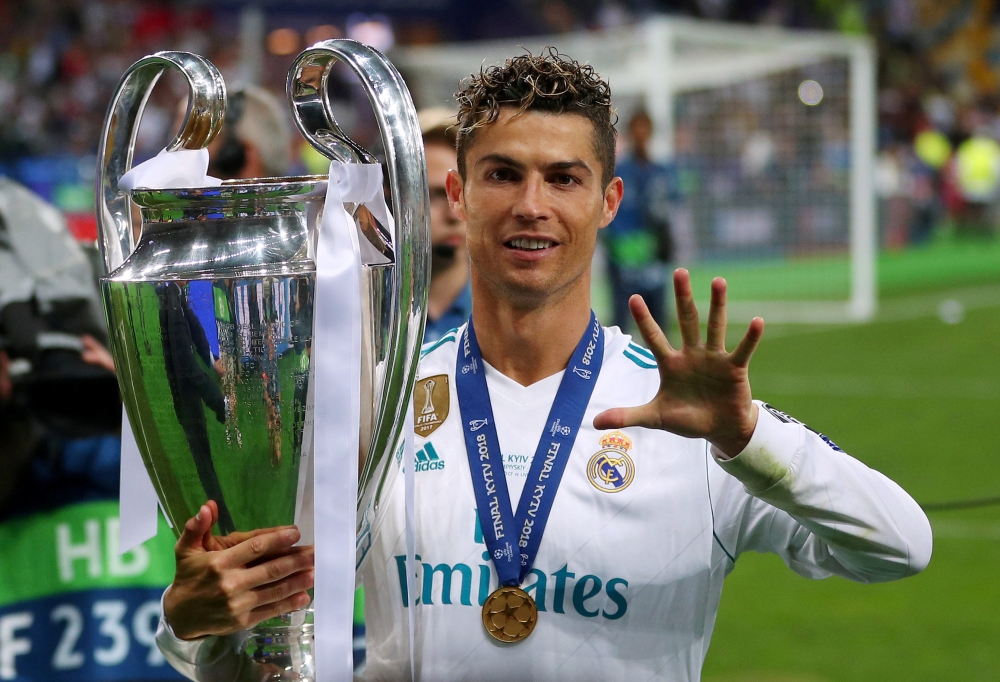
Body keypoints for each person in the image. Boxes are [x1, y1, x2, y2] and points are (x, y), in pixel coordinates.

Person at [156, 51, 932, 681]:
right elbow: (251, 646)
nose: (533, 204)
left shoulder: (695, 425)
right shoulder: (375, 403)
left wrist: (751, 437)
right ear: (457, 195)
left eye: (564, 178)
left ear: (608, 201)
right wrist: (193, 624)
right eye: (503, 174)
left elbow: (901, 547)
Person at [603, 109, 677, 332]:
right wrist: (616, 246)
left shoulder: (661, 172)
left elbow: (668, 213)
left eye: (645, 129)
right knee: (620, 324)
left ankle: (661, 368)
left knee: (658, 326)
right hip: (623, 257)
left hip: (653, 256)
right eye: (637, 129)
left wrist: (665, 244)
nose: (641, 134)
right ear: (630, 133)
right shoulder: (617, 171)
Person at [418, 107, 472, 343]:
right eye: (437, 195)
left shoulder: (509, 315)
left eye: (462, 194)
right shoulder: (366, 316)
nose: (454, 214)